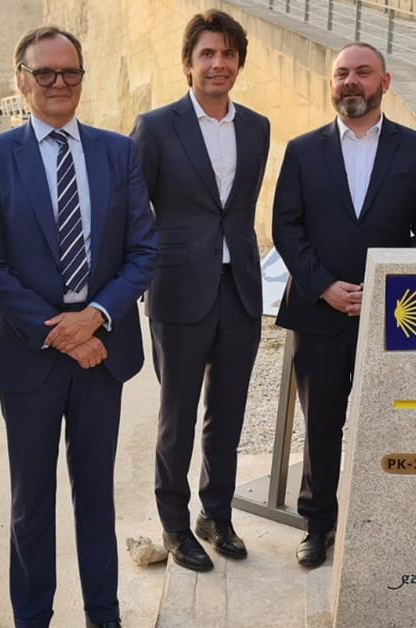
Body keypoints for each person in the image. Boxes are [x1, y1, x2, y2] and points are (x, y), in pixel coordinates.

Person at [0, 25, 157, 628]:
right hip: (29, 355)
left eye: (69, 72)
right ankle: (33, 617)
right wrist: (59, 332)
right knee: (31, 502)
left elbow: (144, 250)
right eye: (43, 72)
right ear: (21, 80)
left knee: (97, 495)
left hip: (103, 349)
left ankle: (104, 615)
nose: (58, 83)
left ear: (81, 78)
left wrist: (95, 317)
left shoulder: (117, 152)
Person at [272, 42, 416, 568]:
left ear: (384, 83)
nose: (351, 81)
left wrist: (384, 285)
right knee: (321, 425)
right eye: (342, 73)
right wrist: (325, 285)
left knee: (393, 421)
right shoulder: (302, 150)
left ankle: (386, 521)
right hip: (319, 311)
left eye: (363, 72)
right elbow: (287, 227)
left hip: (393, 316)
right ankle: (317, 523)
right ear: (332, 84)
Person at [132, 9, 271, 573]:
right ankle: (174, 523)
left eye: (228, 54)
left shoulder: (257, 127)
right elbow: (133, 209)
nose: (219, 63)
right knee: (178, 416)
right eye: (207, 54)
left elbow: (237, 209)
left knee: (229, 414)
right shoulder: (156, 126)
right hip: (178, 289)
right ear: (188, 64)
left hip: (240, 289)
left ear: (239, 63)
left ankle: (216, 515)